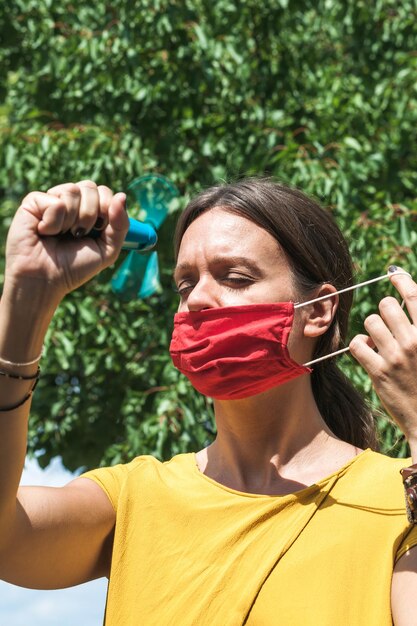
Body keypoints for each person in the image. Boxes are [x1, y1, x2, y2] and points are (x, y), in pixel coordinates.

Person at [0, 178, 417, 625]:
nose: (196, 299)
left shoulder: (401, 497)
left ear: (317, 311)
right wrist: (27, 297)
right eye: (184, 284)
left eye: (235, 278)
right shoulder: (135, 499)